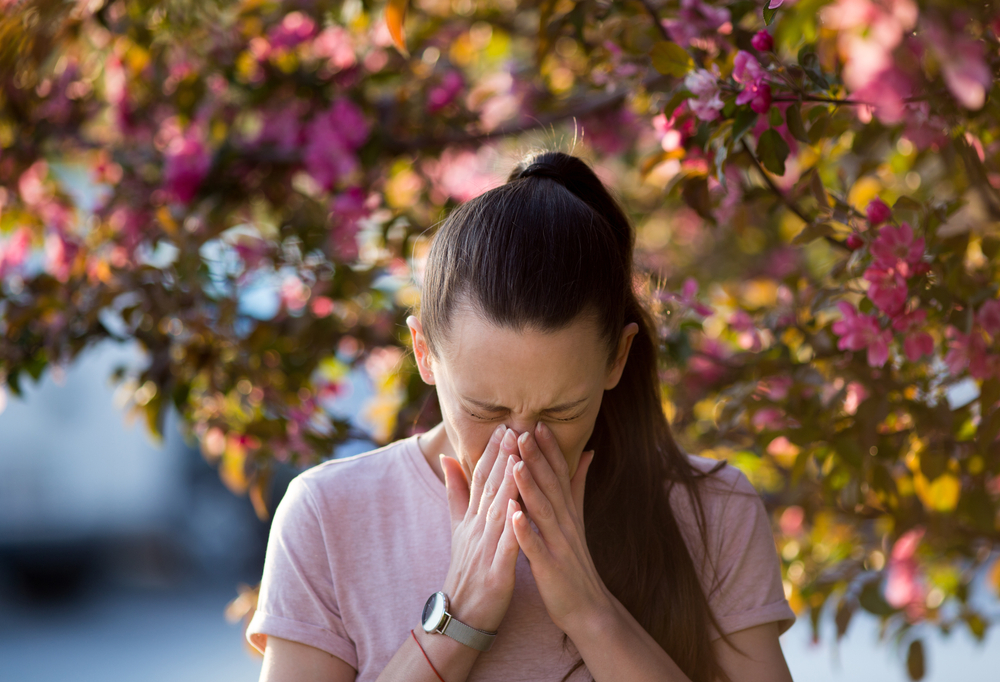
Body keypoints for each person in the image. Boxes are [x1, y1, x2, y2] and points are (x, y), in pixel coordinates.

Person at [246, 150, 796, 682]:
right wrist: (457, 621)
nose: (520, 442)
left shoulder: (713, 511)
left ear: (617, 359)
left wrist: (590, 611)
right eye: (486, 409)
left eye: (562, 410)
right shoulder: (329, 514)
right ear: (423, 353)